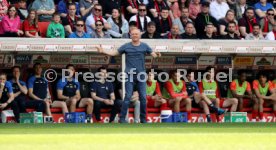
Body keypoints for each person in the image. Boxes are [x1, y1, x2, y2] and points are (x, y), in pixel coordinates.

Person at [96, 28, 161, 123]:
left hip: (141, 75)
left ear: (140, 35)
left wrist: (158, 54)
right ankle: (122, 119)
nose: (135, 35)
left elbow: (154, 55)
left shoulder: (144, 46)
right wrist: (103, 51)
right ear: (130, 35)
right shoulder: (126, 46)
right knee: (127, 97)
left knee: (143, 97)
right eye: (133, 34)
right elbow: (114, 53)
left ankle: (143, 119)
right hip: (129, 75)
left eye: (136, 34)